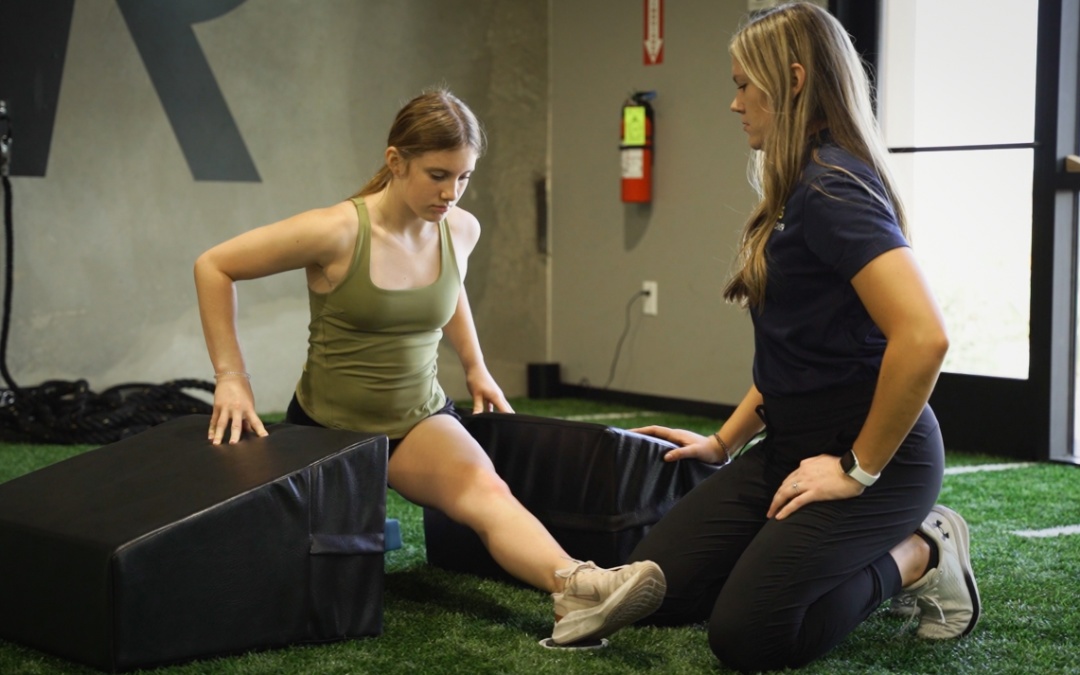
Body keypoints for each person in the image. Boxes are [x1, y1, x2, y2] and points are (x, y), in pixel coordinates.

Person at [193, 88, 665, 646]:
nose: (451, 193)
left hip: (416, 417)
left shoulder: (460, 228)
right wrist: (232, 377)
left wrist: (476, 367)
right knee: (281, 569)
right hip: (327, 429)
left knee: (489, 491)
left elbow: (450, 291)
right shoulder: (337, 230)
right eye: (438, 175)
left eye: (464, 178)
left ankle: (578, 590)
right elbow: (214, 266)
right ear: (396, 162)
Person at [626, 4, 980, 671]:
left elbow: (924, 335)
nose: (734, 104)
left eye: (743, 85)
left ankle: (922, 551)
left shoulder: (832, 189)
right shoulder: (796, 188)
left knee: (748, 635)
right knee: (658, 590)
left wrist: (857, 469)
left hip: (879, 461)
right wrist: (723, 440)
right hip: (789, 446)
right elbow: (799, 353)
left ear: (790, 81)